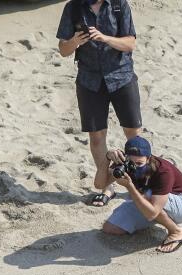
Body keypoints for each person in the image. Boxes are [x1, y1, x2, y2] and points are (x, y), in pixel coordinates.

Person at [55, 0, 141, 208]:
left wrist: (105, 38)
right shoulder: (73, 7)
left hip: (121, 76)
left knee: (133, 134)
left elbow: (130, 43)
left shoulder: (119, 5)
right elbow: (63, 50)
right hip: (89, 81)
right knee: (96, 137)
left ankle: (139, 183)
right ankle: (107, 187)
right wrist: (75, 41)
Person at [102, 136, 182, 252]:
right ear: (126, 158)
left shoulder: (163, 170)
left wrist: (129, 186)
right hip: (152, 203)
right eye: (131, 163)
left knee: (147, 196)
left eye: (139, 163)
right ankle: (158, 219)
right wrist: (107, 158)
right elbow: (99, 184)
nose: (135, 166)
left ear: (148, 158)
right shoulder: (124, 164)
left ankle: (176, 231)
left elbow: (152, 213)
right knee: (111, 228)